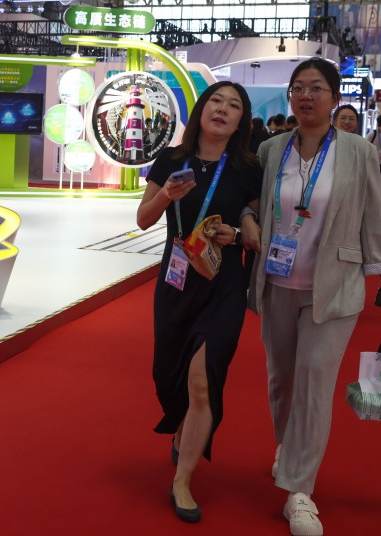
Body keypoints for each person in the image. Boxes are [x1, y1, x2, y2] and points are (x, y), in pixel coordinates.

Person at [249, 58, 381, 536]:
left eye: (315, 88)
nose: (305, 96)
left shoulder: (359, 151)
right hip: (277, 282)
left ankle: (299, 491)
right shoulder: (271, 149)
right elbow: (253, 202)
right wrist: (248, 224)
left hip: (335, 284)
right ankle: (290, 450)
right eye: (298, 88)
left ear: (335, 96)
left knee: (315, 384)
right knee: (281, 381)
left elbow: (373, 216)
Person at [137, 81, 262, 524]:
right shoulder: (172, 160)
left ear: (241, 120)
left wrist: (241, 228)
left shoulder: (249, 166)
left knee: (204, 381)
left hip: (224, 282)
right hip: (176, 279)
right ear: (201, 110)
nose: (223, 110)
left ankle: (183, 479)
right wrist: (166, 195)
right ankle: (182, 427)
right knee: (169, 374)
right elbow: (142, 218)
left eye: (234, 106)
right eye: (216, 102)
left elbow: (256, 221)